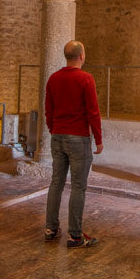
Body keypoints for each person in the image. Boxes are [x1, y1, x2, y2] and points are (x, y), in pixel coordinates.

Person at [43, 40, 102, 248]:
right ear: (82, 56)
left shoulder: (53, 78)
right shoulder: (85, 79)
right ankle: (75, 236)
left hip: (58, 136)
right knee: (78, 187)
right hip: (78, 138)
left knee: (56, 183)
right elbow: (93, 112)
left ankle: (51, 229)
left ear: (66, 56)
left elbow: (48, 109)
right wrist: (98, 139)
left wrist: (53, 129)